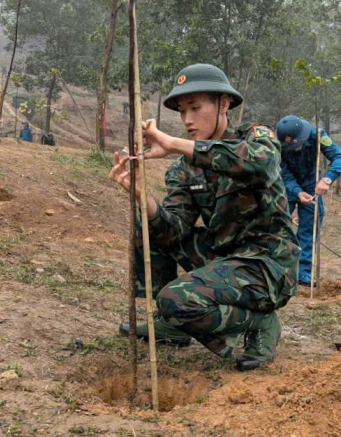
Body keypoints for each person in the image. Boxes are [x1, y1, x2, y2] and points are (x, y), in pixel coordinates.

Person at [109, 63, 299, 371]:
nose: (187, 120)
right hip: (224, 258)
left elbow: (260, 165)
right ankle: (171, 323)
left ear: (224, 104)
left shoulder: (256, 138)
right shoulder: (184, 169)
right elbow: (173, 230)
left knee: (176, 298)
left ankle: (260, 322)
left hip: (266, 266)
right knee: (147, 225)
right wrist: (143, 197)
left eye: (195, 108)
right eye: (182, 111)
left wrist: (172, 144)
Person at [275, 116, 341, 285]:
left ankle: (303, 271)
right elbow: (283, 173)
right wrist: (297, 192)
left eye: (296, 145)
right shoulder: (276, 144)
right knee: (279, 226)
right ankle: (278, 270)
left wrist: (327, 179)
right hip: (287, 186)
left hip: (312, 184)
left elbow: (339, 158)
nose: (294, 149)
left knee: (309, 227)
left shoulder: (317, 135)